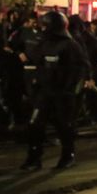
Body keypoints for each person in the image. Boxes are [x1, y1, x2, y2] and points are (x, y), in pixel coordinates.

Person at [23, 12, 91, 171]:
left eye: (46, 26)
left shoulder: (70, 45)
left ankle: (68, 155)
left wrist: (72, 88)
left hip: (63, 93)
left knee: (64, 126)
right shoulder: (43, 43)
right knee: (34, 124)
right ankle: (34, 157)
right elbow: (36, 63)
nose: (42, 29)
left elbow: (82, 67)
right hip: (44, 91)